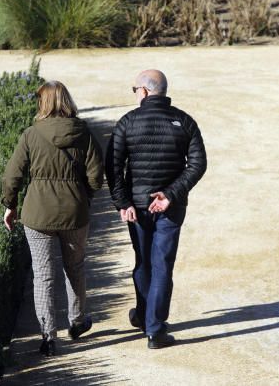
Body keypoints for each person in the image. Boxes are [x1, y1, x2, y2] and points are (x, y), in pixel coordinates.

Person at [105, 69, 207, 349]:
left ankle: (146, 319)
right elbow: (197, 165)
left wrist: (123, 202)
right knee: (161, 265)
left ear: (145, 91)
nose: (135, 93)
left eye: (134, 88)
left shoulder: (127, 122)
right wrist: (171, 194)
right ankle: (153, 327)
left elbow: (112, 167)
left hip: (137, 208)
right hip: (170, 208)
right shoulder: (185, 121)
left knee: (143, 261)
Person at [2, 80, 103, 357]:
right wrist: (85, 198)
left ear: (43, 103)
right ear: (67, 101)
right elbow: (96, 177)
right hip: (75, 213)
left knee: (43, 276)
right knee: (76, 268)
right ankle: (78, 321)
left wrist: (10, 205)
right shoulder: (85, 134)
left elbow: (12, 176)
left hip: (37, 216)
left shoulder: (31, 135)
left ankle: (48, 336)